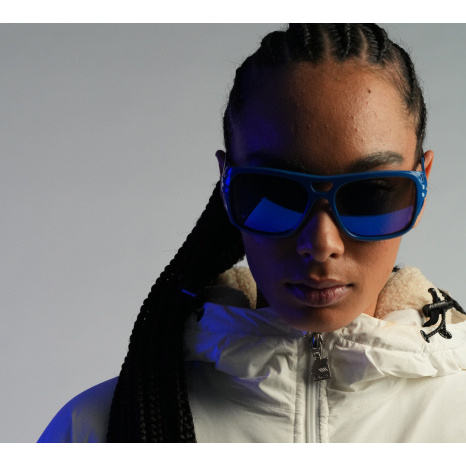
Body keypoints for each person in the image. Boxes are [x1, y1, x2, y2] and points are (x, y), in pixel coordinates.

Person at [37, 23, 466, 443]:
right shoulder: (100, 429)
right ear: (226, 187)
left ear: (423, 184)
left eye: (371, 193)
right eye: (276, 192)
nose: (322, 244)